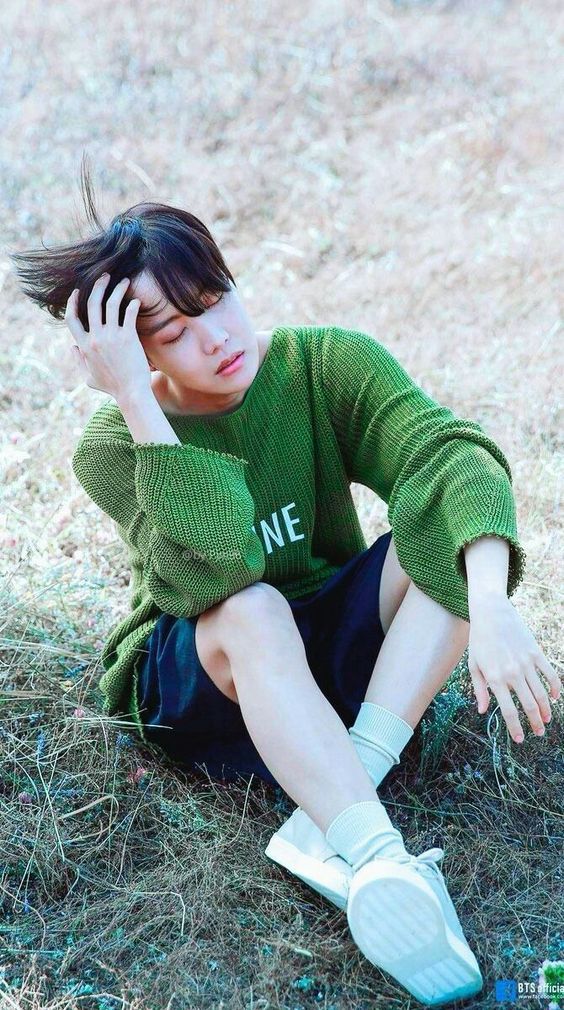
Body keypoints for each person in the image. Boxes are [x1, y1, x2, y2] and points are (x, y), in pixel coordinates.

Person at [9, 158, 560, 1007]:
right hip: (203, 679)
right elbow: (222, 565)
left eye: (216, 299)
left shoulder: (321, 364)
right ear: (129, 353)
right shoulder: (113, 446)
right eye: (173, 333)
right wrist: (139, 403)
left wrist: (487, 602)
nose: (216, 337)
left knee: (438, 535)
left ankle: (329, 810)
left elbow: (450, 456)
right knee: (254, 605)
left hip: (323, 660)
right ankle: (376, 855)